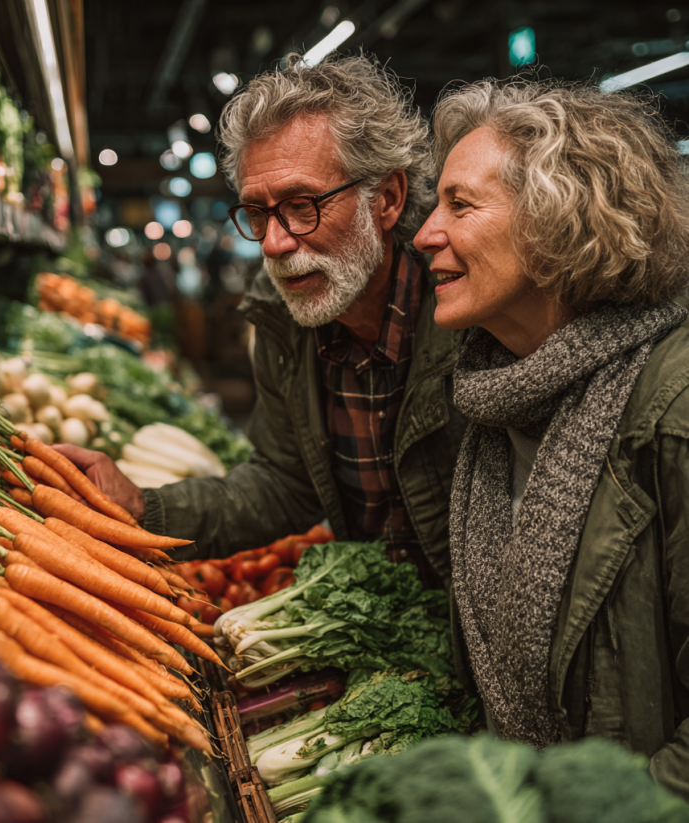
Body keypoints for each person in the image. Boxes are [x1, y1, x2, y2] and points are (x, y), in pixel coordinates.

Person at [55, 53, 466, 587]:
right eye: (257, 212)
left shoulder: (469, 315)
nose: (274, 243)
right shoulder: (283, 320)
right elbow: (286, 485)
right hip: (389, 624)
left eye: (302, 206)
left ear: (386, 199)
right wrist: (142, 507)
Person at [413, 77, 689, 799]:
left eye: (459, 204)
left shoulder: (673, 403)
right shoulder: (489, 400)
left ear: (556, 220)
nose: (423, 234)